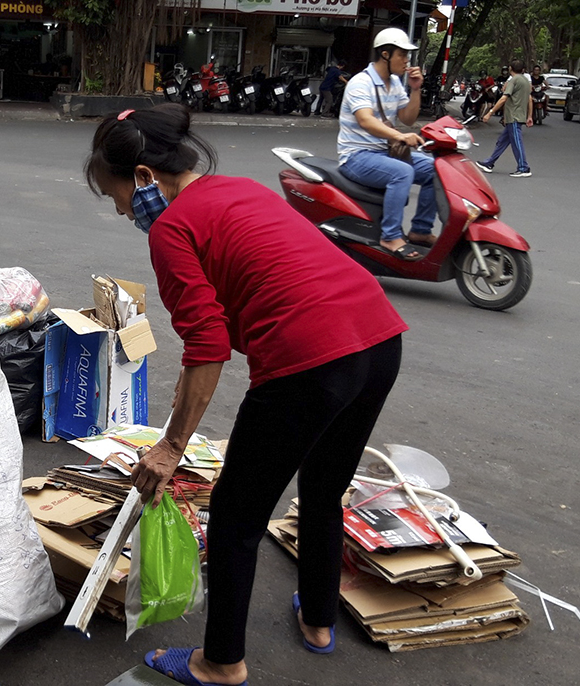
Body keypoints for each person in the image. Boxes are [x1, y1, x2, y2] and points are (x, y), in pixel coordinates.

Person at [85, 103, 407, 686]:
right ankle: (317, 619)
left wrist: (170, 447)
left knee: (236, 516)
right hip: (378, 339)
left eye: (119, 200)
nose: (124, 212)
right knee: (324, 485)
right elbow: (225, 320)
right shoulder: (239, 190)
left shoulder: (172, 229)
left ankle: (221, 664)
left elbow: (206, 344)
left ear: (143, 177)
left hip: (309, 361)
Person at [336, 27, 435, 261]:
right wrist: (398, 136)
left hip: (384, 152)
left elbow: (408, 118)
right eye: (402, 54)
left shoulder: (395, 83)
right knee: (402, 172)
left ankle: (420, 230)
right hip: (357, 156)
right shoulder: (361, 83)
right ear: (385, 55)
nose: (407, 60)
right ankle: (390, 236)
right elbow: (365, 120)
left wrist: (415, 89)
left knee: (435, 169)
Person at [477, 59, 532, 178]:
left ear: (510, 69)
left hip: (514, 116)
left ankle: (523, 168)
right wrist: (529, 116)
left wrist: (490, 112)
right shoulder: (526, 81)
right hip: (518, 115)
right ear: (523, 69)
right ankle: (489, 163)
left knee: (517, 143)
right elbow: (529, 99)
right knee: (502, 141)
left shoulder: (514, 80)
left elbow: (503, 98)